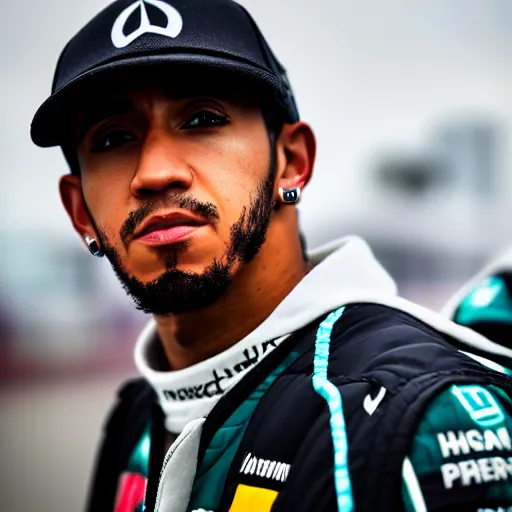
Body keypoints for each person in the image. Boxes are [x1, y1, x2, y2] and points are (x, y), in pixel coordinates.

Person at [30, 0, 512, 510]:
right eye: (114, 137)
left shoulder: (419, 418)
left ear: (292, 163)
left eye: (201, 118)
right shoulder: (137, 416)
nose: (153, 173)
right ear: (80, 209)